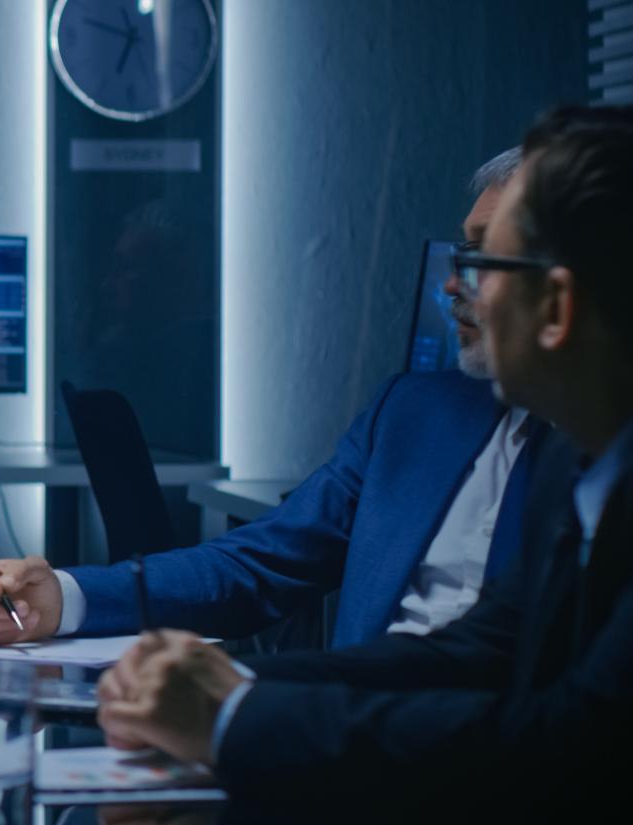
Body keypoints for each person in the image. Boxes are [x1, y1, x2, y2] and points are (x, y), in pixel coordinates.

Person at [96, 106, 633, 817]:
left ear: (556, 307)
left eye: (482, 263)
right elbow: (476, 649)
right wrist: (226, 683)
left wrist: (230, 719)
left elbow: (566, 746)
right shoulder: (580, 463)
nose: (457, 287)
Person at [0, 148, 546, 649]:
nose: (451, 285)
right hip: (343, 743)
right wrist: (65, 596)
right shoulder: (414, 414)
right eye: (458, 255)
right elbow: (257, 562)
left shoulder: (599, 458)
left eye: (480, 257)